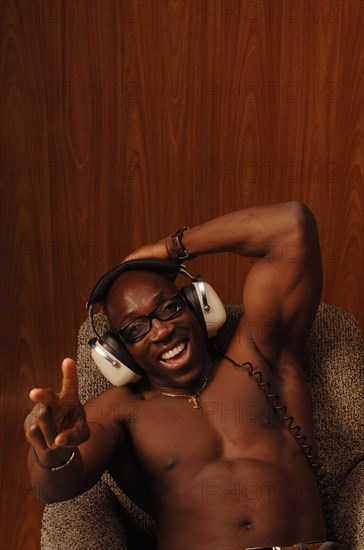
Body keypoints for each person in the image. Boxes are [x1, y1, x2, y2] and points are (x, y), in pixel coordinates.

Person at [25, 202, 345, 550]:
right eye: (136, 329)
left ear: (197, 306)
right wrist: (53, 452)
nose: (160, 332)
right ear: (117, 354)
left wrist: (171, 247)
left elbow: (291, 224)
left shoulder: (260, 351)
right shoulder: (121, 409)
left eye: (169, 308)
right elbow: (55, 489)